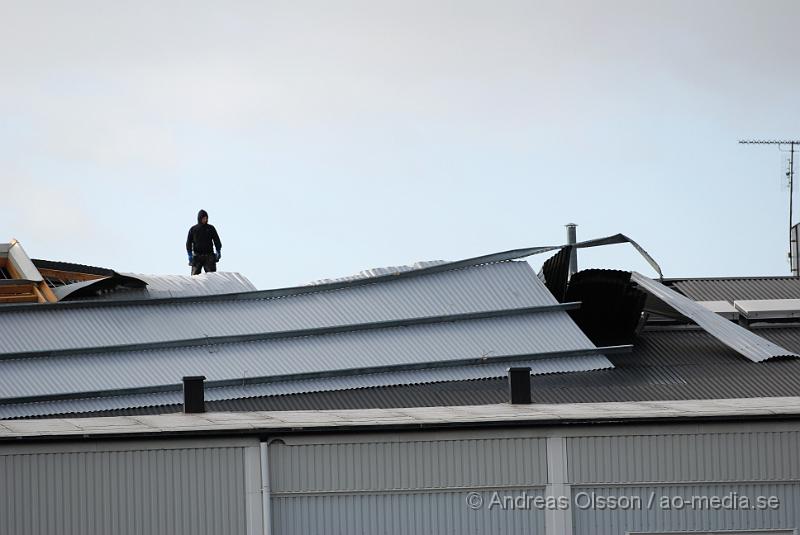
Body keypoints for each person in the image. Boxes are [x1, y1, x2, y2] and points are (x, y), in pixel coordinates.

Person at [186, 209, 222, 275]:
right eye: (203, 218)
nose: (205, 220)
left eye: (206, 218)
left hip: (209, 256)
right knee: (195, 277)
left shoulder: (211, 228)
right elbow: (188, 243)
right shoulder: (193, 229)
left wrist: (218, 250)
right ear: (200, 218)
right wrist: (189, 254)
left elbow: (217, 240)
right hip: (197, 256)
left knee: (212, 276)